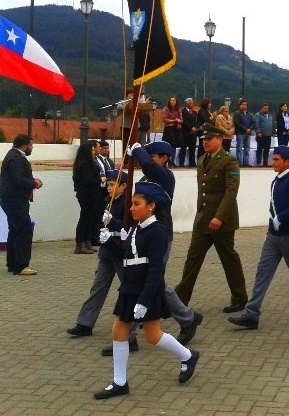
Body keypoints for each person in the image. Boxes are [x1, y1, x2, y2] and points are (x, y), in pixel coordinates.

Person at [93, 181, 199, 399]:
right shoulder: (135, 229)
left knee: (152, 336)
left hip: (145, 290)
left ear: (151, 206)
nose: (131, 208)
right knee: (119, 330)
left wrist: (145, 299)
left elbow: (156, 269)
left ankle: (188, 356)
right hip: (129, 288)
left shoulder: (157, 232)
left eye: (136, 204)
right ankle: (119, 382)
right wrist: (108, 242)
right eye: (132, 204)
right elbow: (126, 255)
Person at [122, 141, 203, 349]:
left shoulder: (166, 177)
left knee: (153, 279)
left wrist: (138, 150)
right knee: (147, 279)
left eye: (153, 156)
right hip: (141, 232)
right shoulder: (147, 177)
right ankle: (185, 318)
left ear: (164, 158)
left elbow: (148, 165)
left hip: (160, 234)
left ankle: (185, 319)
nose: (148, 161)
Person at [228, 146, 289, 330]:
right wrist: (273, 220)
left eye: (277, 160)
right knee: (262, 273)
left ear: (287, 162)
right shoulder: (278, 180)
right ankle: (252, 314)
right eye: (273, 159)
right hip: (273, 235)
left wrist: (282, 217)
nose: (273, 162)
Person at [174, 123, 249, 313]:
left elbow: (231, 192)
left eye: (209, 139)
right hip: (202, 220)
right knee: (192, 259)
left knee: (228, 258)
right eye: (203, 139)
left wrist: (219, 217)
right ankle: (179, 301)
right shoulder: (202, 160)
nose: (205, 142)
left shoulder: (229, 161)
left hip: (221, 222)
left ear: (220, 140)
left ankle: (240, 297)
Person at [67, 170, 135, 339]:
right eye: (108, 184)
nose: (109, 188)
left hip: (121, 252)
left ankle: (138, 322)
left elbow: (129, 228)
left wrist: (113, 222)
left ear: (124, 186)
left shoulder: (129, 205)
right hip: (107, 253)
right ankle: (85, 323)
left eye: (113, 185)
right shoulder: (107, 202)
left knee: (132, 289)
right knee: (97, 288)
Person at [0, 134, 42, 275]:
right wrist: (34, 183)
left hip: (11, 199)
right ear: (24, 145)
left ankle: (12, 263)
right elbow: (19, 180)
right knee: (24, 229)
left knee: (15, 229)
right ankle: (21, 265)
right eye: (31, 145)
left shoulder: (13, 156)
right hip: (15, 199)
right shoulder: (16, 159)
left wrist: (31, 180)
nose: (32, 148)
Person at [73, 141, 105, 254]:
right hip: (87, 194)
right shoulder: (84, 164)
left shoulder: (88, 162)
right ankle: (80, 244)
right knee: (84, 219)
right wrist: (100, 179)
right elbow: (87, 180)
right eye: (91, 150)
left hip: (92, 194)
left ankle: (87, 242)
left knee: (89, 219)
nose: (93, 152)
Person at [162, 96, 183, 166]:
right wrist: (175, 120)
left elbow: (181, 120)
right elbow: (165, 119)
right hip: (168, 129)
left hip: (176, 129)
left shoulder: (178, 109)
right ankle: (166, 160)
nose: (172, 101)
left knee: (174, 145)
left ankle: (172, 161)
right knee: (168, 145)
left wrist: (177, 121)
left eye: (174, 100)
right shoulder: (166, 109)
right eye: (171, 100)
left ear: (176, 102)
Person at [179, 98, 200, 168]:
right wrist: (191, 128)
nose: (192, 104)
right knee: (183, 149)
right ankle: (181, 163)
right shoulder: (182, 111)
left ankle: (192, 163)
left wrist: (196, 128)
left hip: (193, 134)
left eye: (193, 103)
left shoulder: (194, 112)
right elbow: (184, 121)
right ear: (187, 104)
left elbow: (197, 122)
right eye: (191, 103)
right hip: (185, 133)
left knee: (192, 150)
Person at [253, 103, 276, 167]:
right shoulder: (257, 115)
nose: (267, 109)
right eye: (265, 108)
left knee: (267, 150)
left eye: (267, 108)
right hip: (261, 135)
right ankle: (258, 163)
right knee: (259, 149)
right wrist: (258, 132)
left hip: (268, 135)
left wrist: (274, 132)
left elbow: (273, 124)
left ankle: (265, 163)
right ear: (261, 108)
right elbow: (256, 124)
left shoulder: (270, 115)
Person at [233, 99, 254, 167]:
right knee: (239, 148)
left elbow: (253, 123)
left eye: (245, 105)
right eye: (243, 104)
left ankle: (246, 162)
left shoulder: (249, 114)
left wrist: (250, 129)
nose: (244, 106)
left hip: (248, 133)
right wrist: (245, 129)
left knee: (247, 148)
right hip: (240, 133)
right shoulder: (237, 113)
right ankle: (239, 162)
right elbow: (237, 123)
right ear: (240, 105)